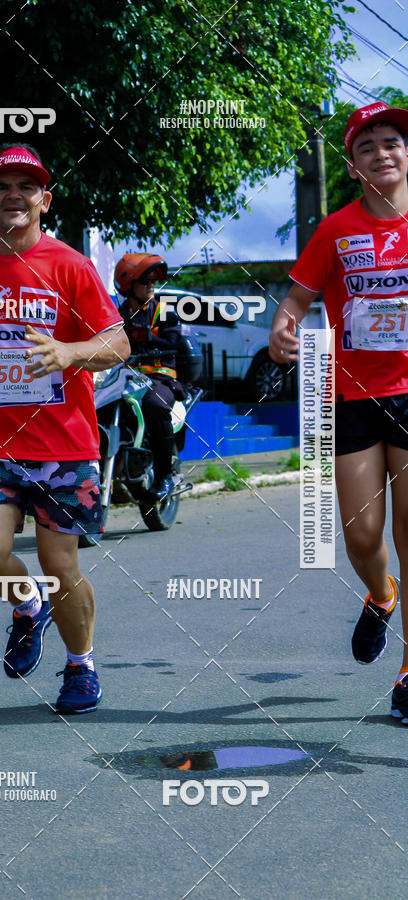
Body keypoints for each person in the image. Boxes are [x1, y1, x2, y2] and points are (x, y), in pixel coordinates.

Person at [0, 143, 130, 714]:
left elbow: (119, 343)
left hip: (64, 444)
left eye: (27, 186)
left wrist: (70, 351)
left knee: (62, 564)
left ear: (45, 199)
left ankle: (82, 665)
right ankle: (28, 605)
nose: (15, 195)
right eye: (3, 186)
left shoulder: (71, 266)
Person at [268, 102, 408, 723]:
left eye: (393, 142)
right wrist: (283, 328)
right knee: (361, 535)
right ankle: (382, 596)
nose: (384, 152)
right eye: (369, 145)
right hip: (350, 397)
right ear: (352, 165)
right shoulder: (335, 231)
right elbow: (296, 299)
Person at [115, 253, 183, 499]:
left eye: (154, 281)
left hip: (159, 379)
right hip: (123, 380)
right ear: (129, 286)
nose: (152, 285)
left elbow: (174, 343)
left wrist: (147, 337)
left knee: (155, 404)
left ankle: (166, 476)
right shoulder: (115, 316)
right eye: (146, 281)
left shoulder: (164, 312)